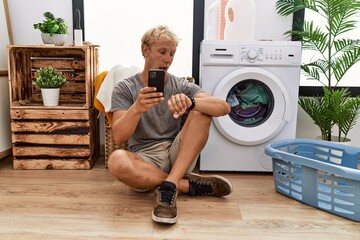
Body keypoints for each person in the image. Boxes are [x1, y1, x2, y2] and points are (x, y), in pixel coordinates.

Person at [107, 25, 233, 224]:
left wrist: (192, 103)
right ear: (145, 50)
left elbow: (224, 107)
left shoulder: (180, 85)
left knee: (203, 111)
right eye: (162, 52)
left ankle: (169, 185)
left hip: (178, 154)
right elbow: (119, 137)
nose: (168, 60)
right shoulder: (125, 88)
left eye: (172, 53)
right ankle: (180, 184)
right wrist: (137, 108)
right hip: (145, 160)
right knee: (116, 161)